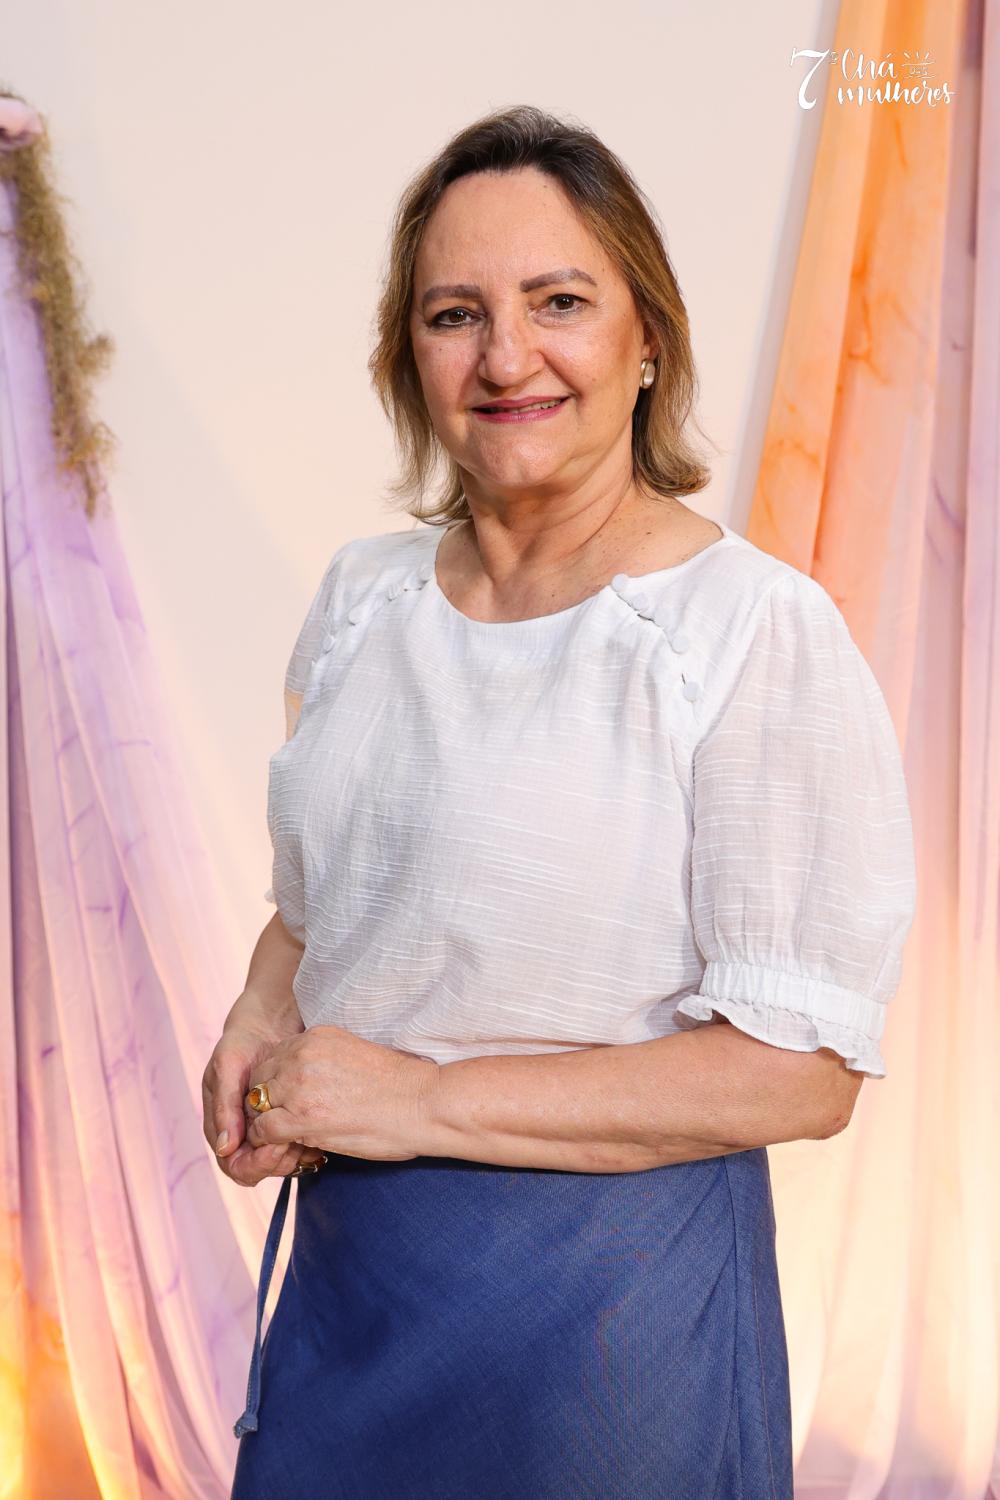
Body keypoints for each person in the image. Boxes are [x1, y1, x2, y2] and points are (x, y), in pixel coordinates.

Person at [205, 104, 917, 1500]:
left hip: (607, 1332)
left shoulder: (749, 633)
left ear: (648, 338)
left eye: (560, 303)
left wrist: (420, 1097)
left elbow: (801, 1073)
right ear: (407, 358)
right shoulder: (362, 602)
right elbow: (320, 901)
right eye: (454, 315)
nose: (506, 356)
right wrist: (258, 1014)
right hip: (354, 1294)